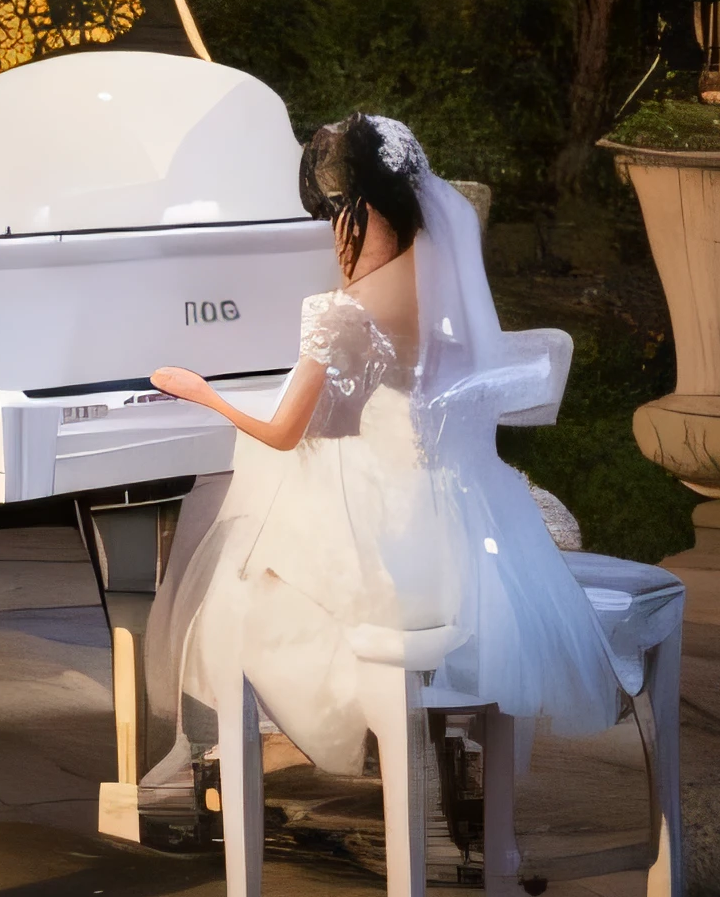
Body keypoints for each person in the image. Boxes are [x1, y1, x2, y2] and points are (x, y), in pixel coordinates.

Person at [151, 114, 624, 778]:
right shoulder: (448, 279)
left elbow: (286, 433)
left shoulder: (347, 308)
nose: (330, 229)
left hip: (394, 542)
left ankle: (264, 746)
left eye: (333, 214)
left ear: (358, 209)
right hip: (468, 514)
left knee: (236, 563)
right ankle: (401, 755)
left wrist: (204, 392)